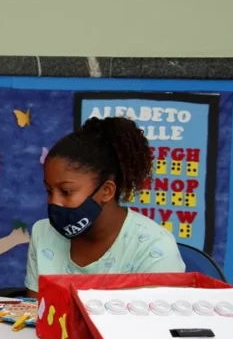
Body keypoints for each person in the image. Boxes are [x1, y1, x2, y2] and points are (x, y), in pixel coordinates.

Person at [25, 117, 185, 297]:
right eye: (48, 191)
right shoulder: (43, 233)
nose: (54, 202)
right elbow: (35, 315)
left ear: (107, 191)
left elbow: (157, 323)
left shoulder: (153, 247)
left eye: (66, 191)